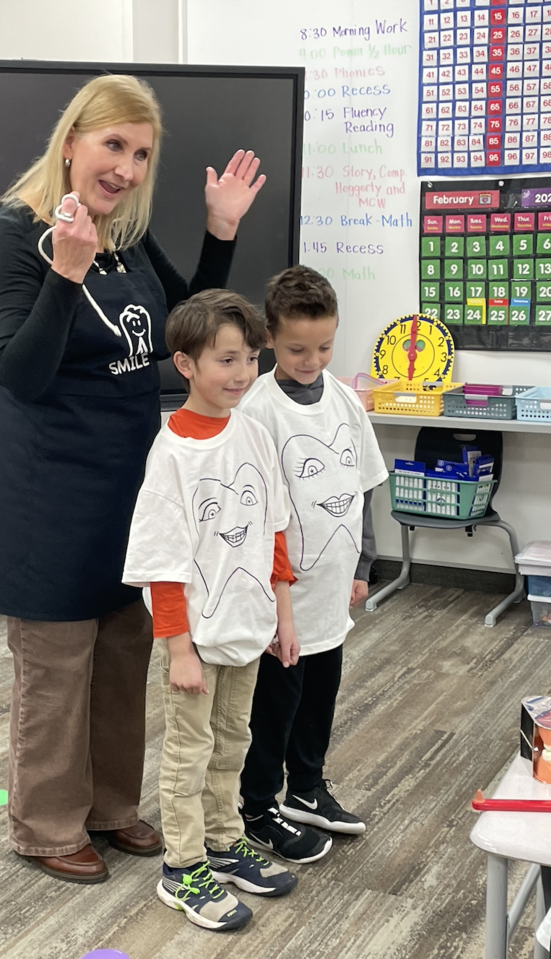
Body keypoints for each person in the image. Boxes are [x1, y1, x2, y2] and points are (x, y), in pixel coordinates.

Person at [0, 74, 266, 884]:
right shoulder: (13, 234)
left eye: (140, 154)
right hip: (46, 492)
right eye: (112, 146)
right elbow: (17, 373)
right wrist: (65, 271)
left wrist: (220, 230)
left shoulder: (124, 234)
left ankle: (110, 807)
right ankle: (46, 824)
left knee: (126, 652)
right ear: (72, 142)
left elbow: (184, 321)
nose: (126, 168)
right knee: (58, 665)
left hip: (130, 485)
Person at [122, 290, 300, 931]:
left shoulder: (252, 432)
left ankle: (224, 844)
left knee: (234, 744)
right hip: (195, 642)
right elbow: (162, 563)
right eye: (227, 359)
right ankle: (183, 867)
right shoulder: (171, 453)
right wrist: (178, 649)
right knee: (188, 755)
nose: (242, 373)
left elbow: (274, 532)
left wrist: (283, 616)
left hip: (250, 629)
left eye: (250, 358)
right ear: (185, 363)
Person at [238, 265, 388, 862]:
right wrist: (272, 603)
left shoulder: (346, 401)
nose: (312, 359)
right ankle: (257, 806)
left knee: (321, 693)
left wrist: (363, 565)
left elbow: (365, 484)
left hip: (330, 589)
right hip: (282, 598)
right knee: (274, 704)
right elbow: (252, 514)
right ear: (270, 337)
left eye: (325, 346)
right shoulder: (257, 408)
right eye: (298, 348)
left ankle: (306, 787)